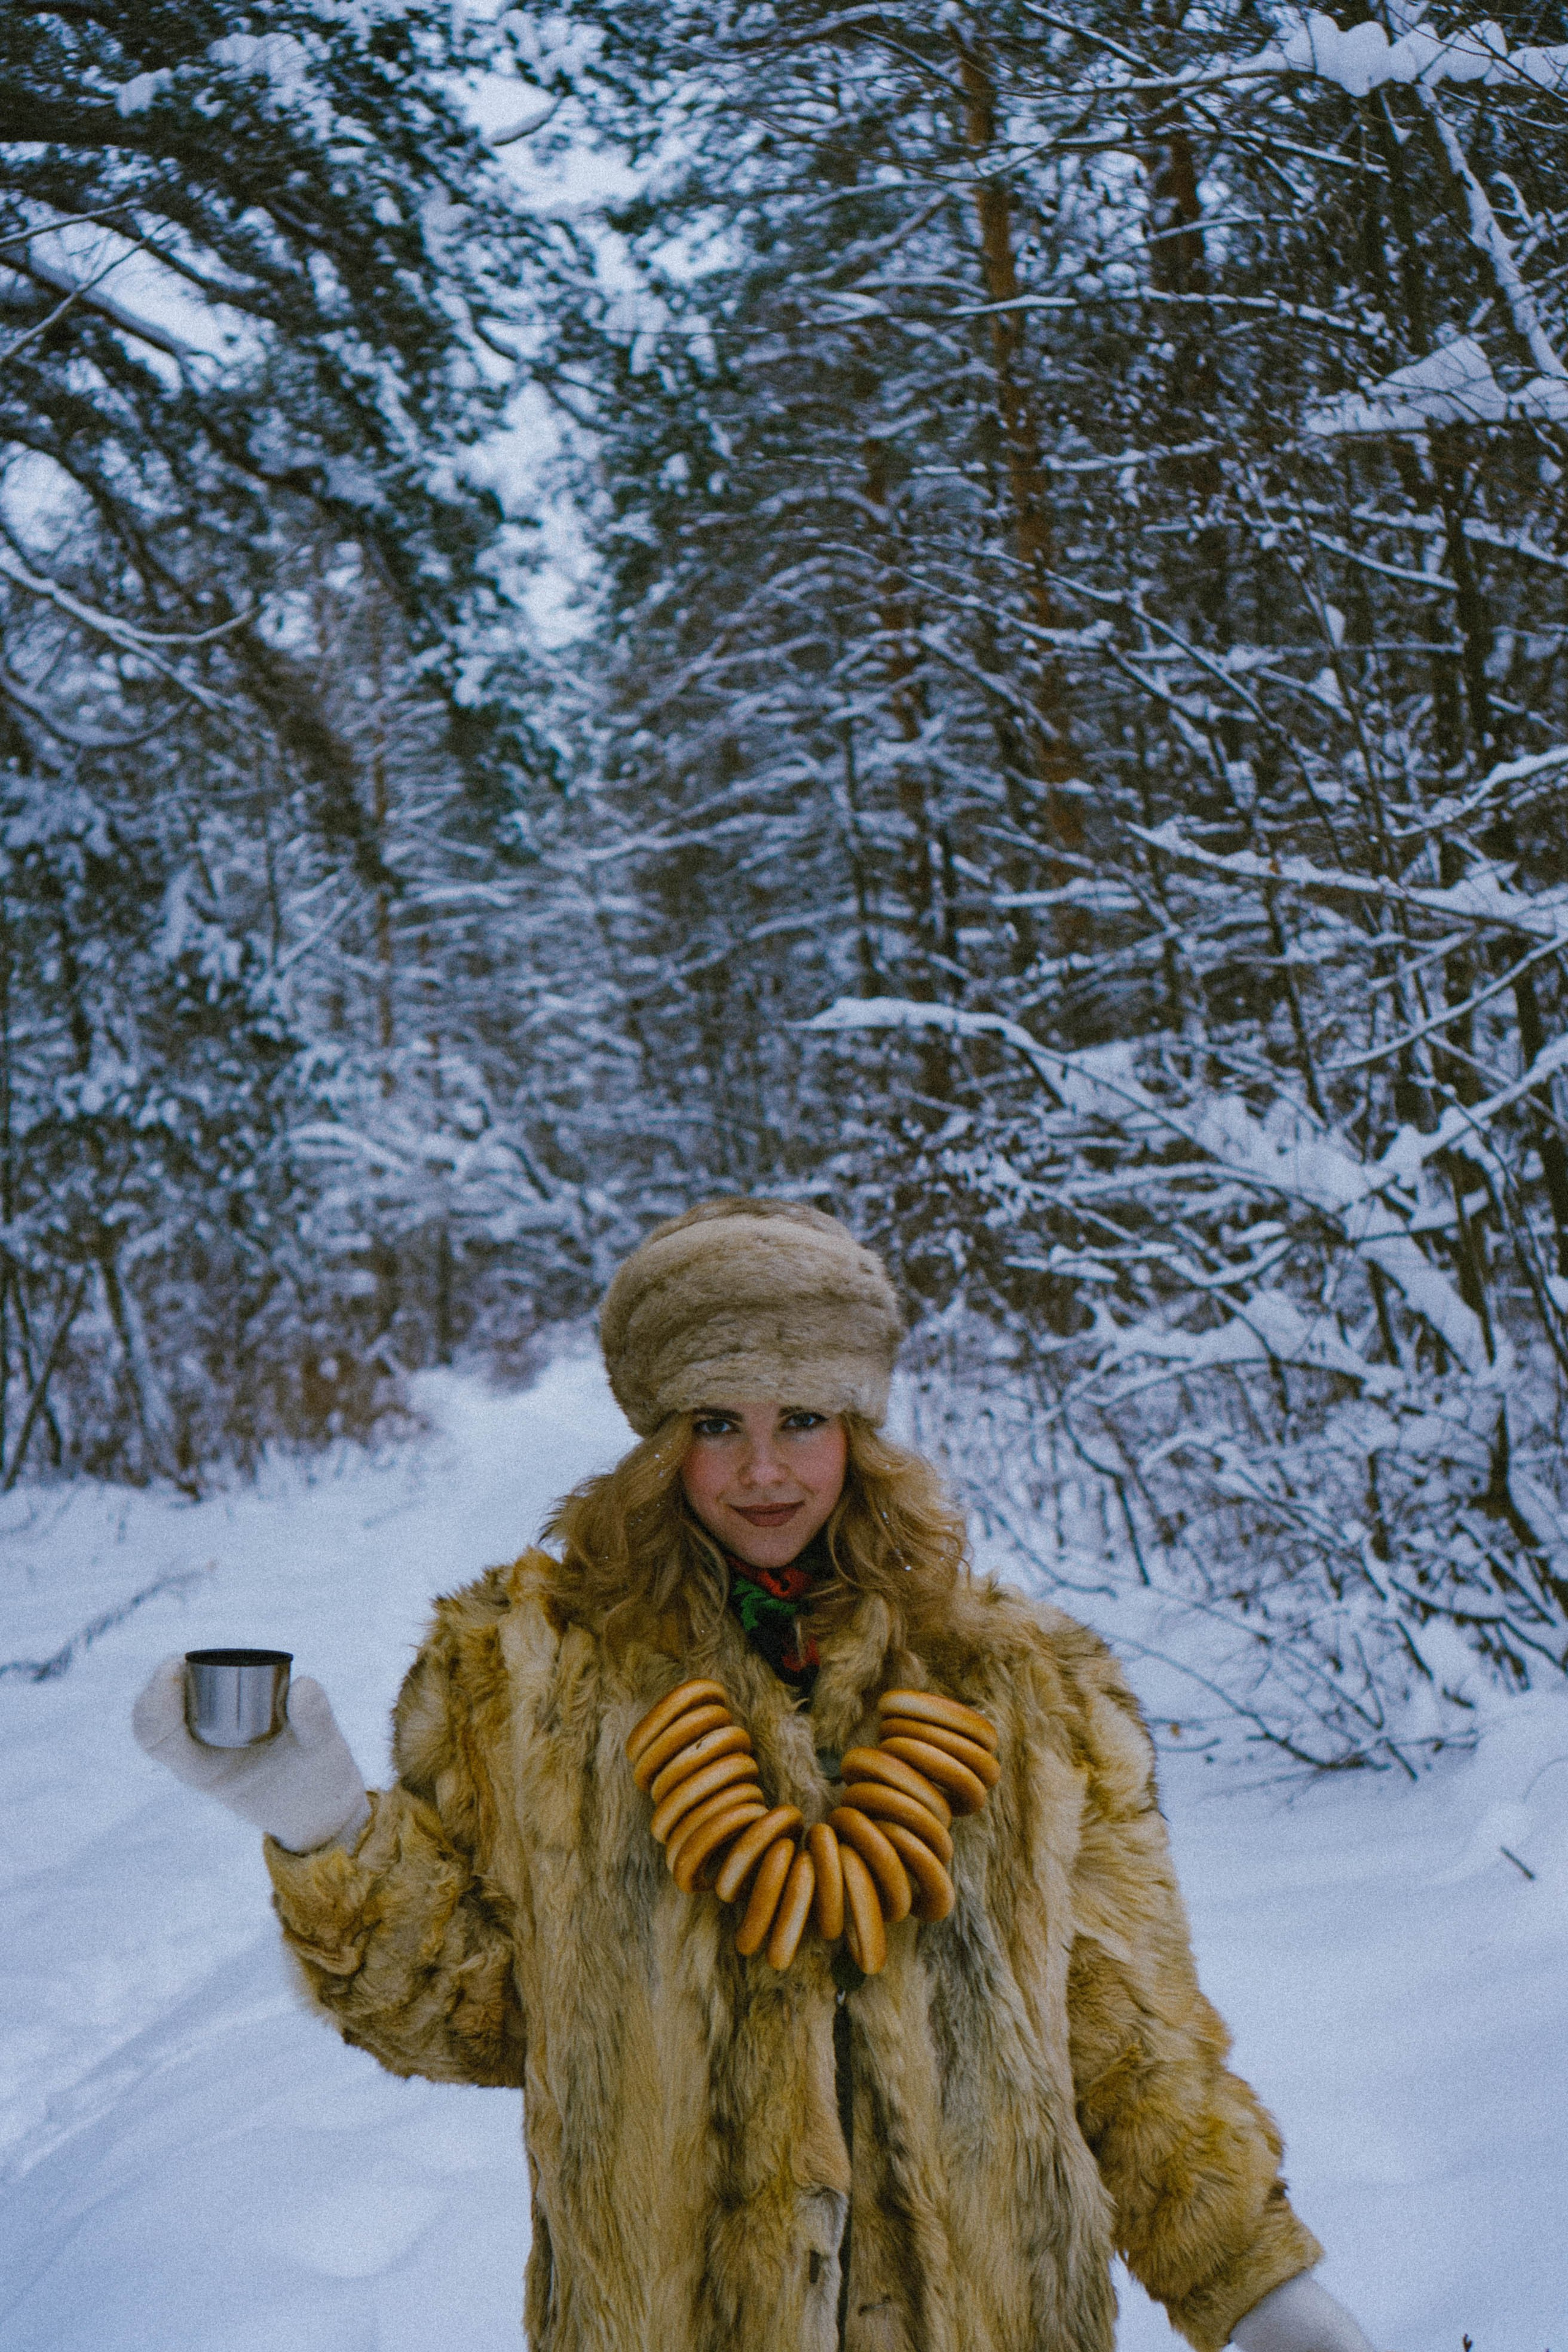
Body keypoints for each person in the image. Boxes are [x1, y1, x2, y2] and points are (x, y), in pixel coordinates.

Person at [135, 1198, 1382, 2352]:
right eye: (716, 1425)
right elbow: (475, 2021)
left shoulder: (1025, 1685)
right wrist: (319, 1825)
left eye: (803, 1421)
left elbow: (1130, 2041)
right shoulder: (522, 1681)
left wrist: (1256, 2286)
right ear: (659, 1439)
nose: (763, 1473)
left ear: (859, 1430)